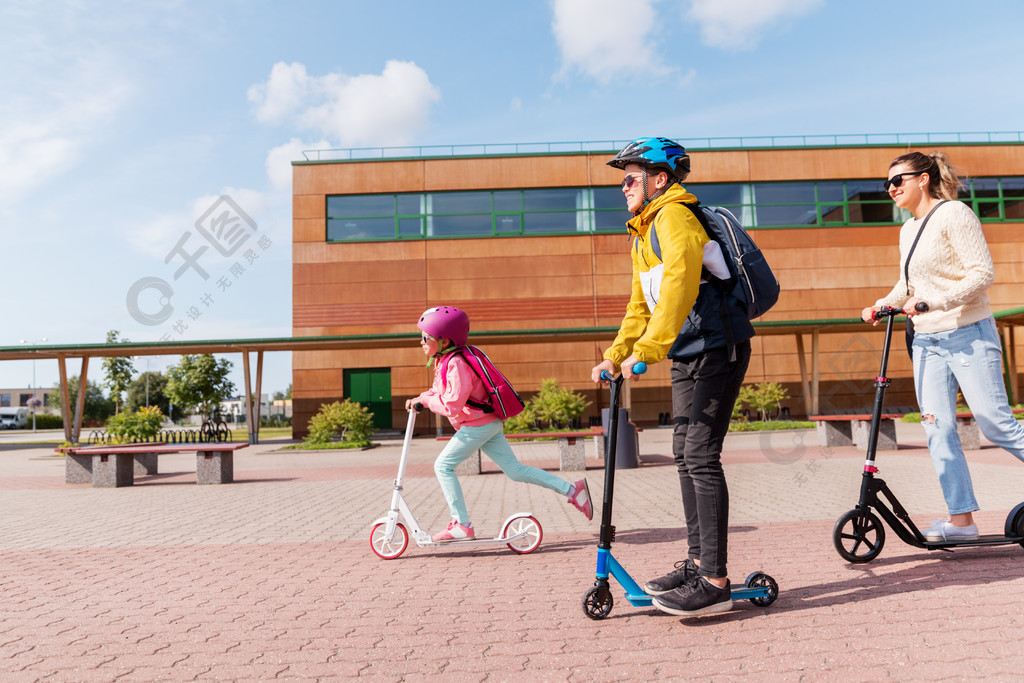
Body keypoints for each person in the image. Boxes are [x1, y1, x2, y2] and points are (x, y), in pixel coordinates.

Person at [591, 138, 753, 616]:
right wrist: (617, 352)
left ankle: (715, 579)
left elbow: (681, 286)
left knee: (701, 455)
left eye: (630, 177)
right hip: (687, 353)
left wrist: (647, 351)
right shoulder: (644, 232)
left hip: (718, 347)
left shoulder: (675, 217)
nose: (622, 186)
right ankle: (699, 561)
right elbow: (642, 304)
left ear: (659, 179)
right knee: (685, 453)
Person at [862, 150, 1024, 542]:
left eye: (897, 181)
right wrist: (884, 303)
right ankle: (962, 523)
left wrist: (934, 302)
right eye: (887, 184)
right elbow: (908, 286)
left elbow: (982, 273)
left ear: (923, 179)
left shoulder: (955, 214)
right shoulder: (907, 229)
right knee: (938, 429)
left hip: (968, 332)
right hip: (927, 340)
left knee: (996, 423)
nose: (890, 189)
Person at [407, 306, 593, 541]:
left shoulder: (457, 364)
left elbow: (452, 404)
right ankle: (573, 490)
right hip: (486, 424)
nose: (421, 341)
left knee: (443, 467)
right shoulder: (444, 361)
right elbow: (437, 391)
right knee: (515, 471)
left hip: (477, 427)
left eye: (426, 337)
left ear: (444, 341)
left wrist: (426, 401)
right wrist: (420, 398)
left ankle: (462, 525)